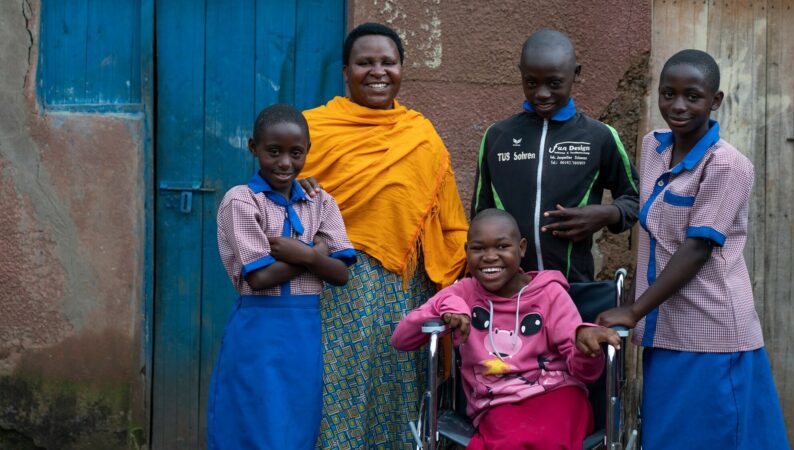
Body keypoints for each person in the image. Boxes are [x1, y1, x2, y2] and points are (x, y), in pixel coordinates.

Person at [597, 50, 790, 449]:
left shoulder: (727, 165)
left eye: (693, 96)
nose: (678, 106)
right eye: (669, 94)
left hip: (711, 335)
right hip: (664, 329)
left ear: (714, 100)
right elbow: (655, 236)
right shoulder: (653, 148)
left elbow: (697, 248)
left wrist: (633, 310)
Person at [298, 23, 469, 449]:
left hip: (402, 290)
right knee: (335, 385)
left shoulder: (421, 135)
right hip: (330, 282)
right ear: (345, 72)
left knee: (397, 388)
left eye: (387, 62)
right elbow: (278, 195)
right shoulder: (311, 130)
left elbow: (447, 220)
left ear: (402, 69)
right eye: (365, 63)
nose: (377, 72)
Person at [392, 209, 620, 449]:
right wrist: (445, 307)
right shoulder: (463, 294)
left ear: (521, 248)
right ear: (466, 251)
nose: (490, 257)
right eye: (479, 249)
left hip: (558, 393)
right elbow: (401, 339)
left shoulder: (550, 294)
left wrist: (586, 349)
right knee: (509, 440)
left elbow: (587, 374)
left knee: (543, 438)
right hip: (497, 402)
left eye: (502, 247)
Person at [207, 104, 357, 449]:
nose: (285, 163)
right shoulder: (241, 201)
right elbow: (260, 278)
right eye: (273, 152)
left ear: (308, 152)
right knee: (252, 421)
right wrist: (316, 252)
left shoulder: (320, 202)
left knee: (297, 422)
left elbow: (341, 274)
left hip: (304, 331)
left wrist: (301, 253)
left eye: (296, 153)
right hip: (258, 330)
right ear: (253, 148)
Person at [472, 29, 640, 282]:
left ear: (576, 74)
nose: (541, 93)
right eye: (531, 82)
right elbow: (479, 214)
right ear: (521, 73)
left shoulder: (599, 136)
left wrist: (606, 214)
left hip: (573, 289)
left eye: (554, 83)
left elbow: (636, 197)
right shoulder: (497, 137)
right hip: (509, 291)